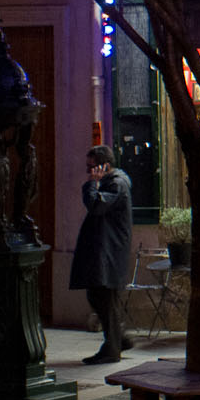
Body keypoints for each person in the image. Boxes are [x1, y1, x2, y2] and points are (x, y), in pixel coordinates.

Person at [70, 145, 134, 364]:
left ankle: (112, 347)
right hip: (104, 250)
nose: (89, 172)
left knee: (105, 299)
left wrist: (91, 185)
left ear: (103, 165)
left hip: (109, 251)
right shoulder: (113, 183)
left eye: (92, 167)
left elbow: (96, 206)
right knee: (99, 296)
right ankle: (118, 338)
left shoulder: (115, 184)